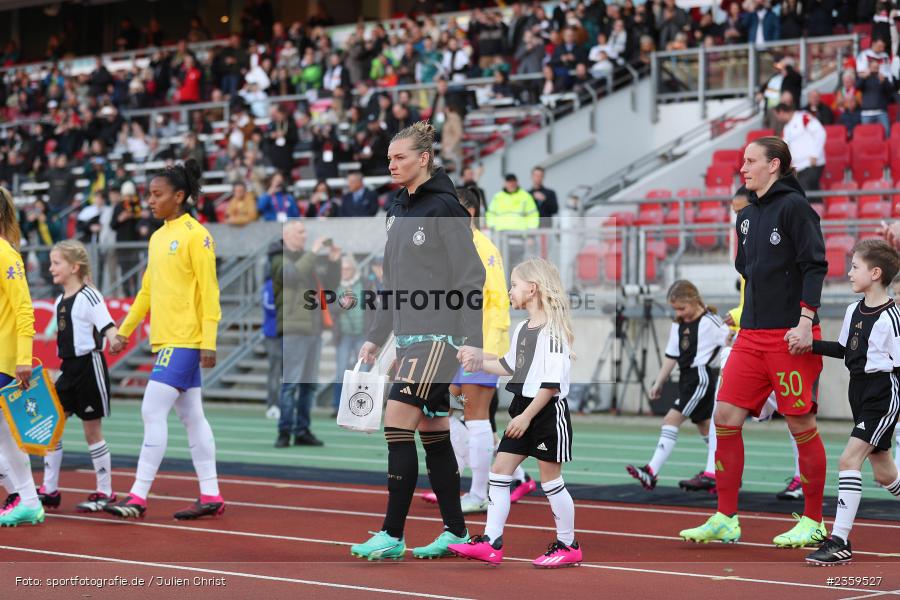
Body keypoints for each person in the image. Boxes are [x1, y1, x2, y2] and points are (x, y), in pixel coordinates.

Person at [679, 137, 828, 547]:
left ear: (774, 165)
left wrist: (805, 322)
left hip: (789, 336)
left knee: (801, 423)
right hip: (751, 337)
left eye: (750, 161)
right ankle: (726, 517)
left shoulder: (795, 208)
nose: (742, 168)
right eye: (742, 161)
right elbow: (749, 270)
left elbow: (815, 266)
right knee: (725, 416)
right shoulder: (746, 215)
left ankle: (814, 520)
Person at [351, 121, 485, 561]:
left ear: (423, 158)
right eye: (389, 158)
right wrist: (375, 337)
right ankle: (458, 533)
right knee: (435, 434)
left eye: (400, 158)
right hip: (408, 338)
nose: (391, 165)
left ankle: (392, 533)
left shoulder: (445, 208)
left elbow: (472, 276)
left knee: (396, 425)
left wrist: (472, 343)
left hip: (439, 338)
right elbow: (391, 280)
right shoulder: (397, 209)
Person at [104, 160, 224, 521]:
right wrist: (124, 330)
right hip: (168, 338)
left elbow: (210, 292)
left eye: (157, 195)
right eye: (149, 195)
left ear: (180, 196)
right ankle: (211, 494)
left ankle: (138, 497)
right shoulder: (157, 238)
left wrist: (209, 341)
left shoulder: (197, 235)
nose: (150, 201)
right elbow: (146, 292)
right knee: (192, 416)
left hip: (185, 338)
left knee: (151, 410)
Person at [448, 257, 581, 568]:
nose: (510, 291)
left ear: (531, 289)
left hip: (545, 412)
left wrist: (526, 417)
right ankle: (491, 542)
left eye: (514, 285)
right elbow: (509, 366)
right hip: (524, 407)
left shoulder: (553, 331)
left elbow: (549, 385)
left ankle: (568, 544)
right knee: (500, 471)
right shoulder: (523, 328)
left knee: (551, 482)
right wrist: (479, 359)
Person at [679, 188, 804, 500]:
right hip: (751, 339)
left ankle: (804, 480)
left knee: (797, 417)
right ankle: (715, 477)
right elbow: (750, 300)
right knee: (724, 410)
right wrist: (737, 317)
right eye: (734, 213)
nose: (738, 219)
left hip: (780, 340)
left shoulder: (779, 245)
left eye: (740, 211)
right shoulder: (749, 253)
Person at [804, 240, 900, 565]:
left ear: (875, 273)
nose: (848, 272)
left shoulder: (892, 318)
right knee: (886, 474)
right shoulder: (853, 310)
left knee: (849, 460)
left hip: (882, 395)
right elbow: (845, 348)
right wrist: (810, 344)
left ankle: (840, 540)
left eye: (855, 267)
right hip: (857, 392)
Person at [37, 241, 118, 512]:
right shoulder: (60, 300)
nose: (51, 268)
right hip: (68, 370)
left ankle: (105, 492)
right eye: (50, 263)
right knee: (52, 426)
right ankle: (50, 490)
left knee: (91, 431)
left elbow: (108, 326)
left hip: (89, 368)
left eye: (56, 263)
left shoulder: (89, 296)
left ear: (75, 267)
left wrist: (115, 339)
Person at [627, 281, 728, 490]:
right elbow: (671, 355)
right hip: (685, 378)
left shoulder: (711, 321)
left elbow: (730, 340)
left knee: (671, 419)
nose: (679, 313)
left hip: (700, 377)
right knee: (705, 427)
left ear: (694, 300)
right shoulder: (678, 323)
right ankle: (723, 470)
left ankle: (651, 471)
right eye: (675, 309)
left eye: (682, 308)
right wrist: (659, 381)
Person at [270, 220, 341, 447]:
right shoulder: (277, 257)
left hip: (313, 327)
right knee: (290, 383)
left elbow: (329, 285)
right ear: (287, 234)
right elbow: (290, 276)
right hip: (293, 328)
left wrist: (333, 262)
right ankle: (284, 431)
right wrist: (313, 251)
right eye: (300, 232)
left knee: (308, 385)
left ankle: (302, 430)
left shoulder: (306, 258)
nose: (304, 235)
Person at [0, 187, 44, 527]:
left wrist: (24, 358)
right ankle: (25, 498)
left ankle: (26, 498)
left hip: (4, 359)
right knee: (5, 436)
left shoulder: (7, 255)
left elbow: (24, 310)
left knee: (6, 436)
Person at [330, 254, 367, 418]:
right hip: (344, 335)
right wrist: (341, 305)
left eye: (347, 268)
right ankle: (337, 406)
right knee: (341, 371)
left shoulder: (365, 283)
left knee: (363, 372)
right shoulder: (335, 285)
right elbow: (329, 308)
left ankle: (361, 406)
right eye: (342, 269)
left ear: (353, 269)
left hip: (363, 334)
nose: (344, 271)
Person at [773, 103, 826, 193]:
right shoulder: (786, 128)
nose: (777, 119)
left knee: (806, 191)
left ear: (781, 112)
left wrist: (815, 155)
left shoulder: (803, 117)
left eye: (776, 116)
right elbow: (786, 146)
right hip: (799, 167)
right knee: (808, 192)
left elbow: (820, 133)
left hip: (812, 164)